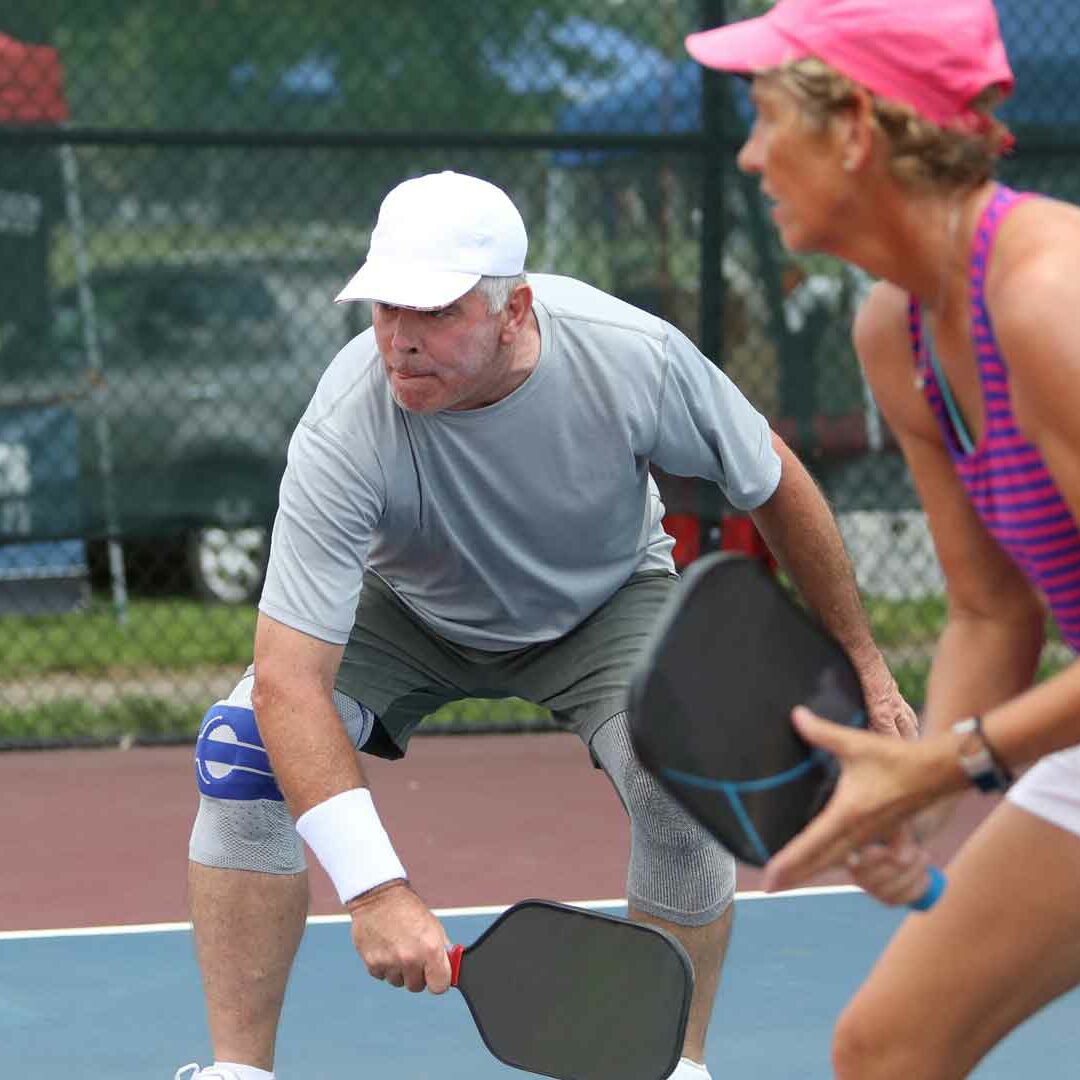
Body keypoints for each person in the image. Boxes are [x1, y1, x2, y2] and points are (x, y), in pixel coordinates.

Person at [175, 169, 913, 1080]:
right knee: (242, 750)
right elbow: (291, 678)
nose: (400, 342)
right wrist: (375, 887)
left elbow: (772, 479)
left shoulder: (629, 354)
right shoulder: (348, 417)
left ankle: (668, 1063)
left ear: (514, 309)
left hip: (603, 600)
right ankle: (238, 1072)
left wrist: (864, 664)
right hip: (404, 608)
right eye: (384, 310)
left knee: (685, 774)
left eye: (434, 313)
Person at [686, 1, 1080, 1077]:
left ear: (854, 126)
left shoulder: (1053, 302)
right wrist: (914, 794)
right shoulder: (896, 330)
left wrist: (946, 763)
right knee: (889, 1047)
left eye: (766, 116)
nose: (751, 154)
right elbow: (993, 610)